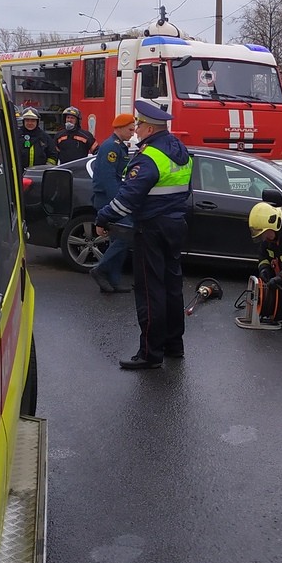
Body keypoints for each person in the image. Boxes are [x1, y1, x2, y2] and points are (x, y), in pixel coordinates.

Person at [95, 100, 191, 370]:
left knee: (150, 290)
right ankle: (174, 345)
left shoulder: (149, 157)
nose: (136, 129)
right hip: (175, 225)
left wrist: (103, 217)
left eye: (139, 125)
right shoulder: (180, 150)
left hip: (151, 227)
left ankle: (150, 353)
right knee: (172, 287)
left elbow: (128, 198)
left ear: (149, 128)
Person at [88, 112, 137, 294]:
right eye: (130, 129)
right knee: (126, 235)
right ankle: (100, 270)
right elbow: (108, 179)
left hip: (114, 200)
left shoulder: (119, 147)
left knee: (118, 239)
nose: (133, 133)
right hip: (109, 200)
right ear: (120, 128)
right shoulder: (111, 147)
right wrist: (119, 203)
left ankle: (112, 281)